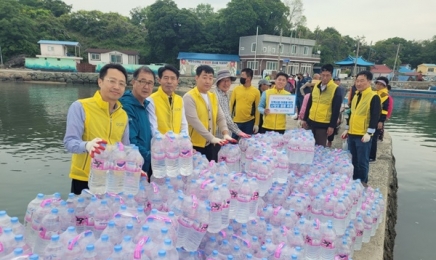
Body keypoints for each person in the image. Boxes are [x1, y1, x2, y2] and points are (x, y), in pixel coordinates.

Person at [64, 64, 130, 194]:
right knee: (84, 214)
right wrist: (87, 145)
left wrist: (133, 169)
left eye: (121, 84)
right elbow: (69, 142)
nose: (117, 87)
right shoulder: (80, 107)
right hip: (85, 179)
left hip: (112, 179)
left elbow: (125, 148)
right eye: (112, 81)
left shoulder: (123, 114)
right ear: (100, 81)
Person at [183, 65, 235, 162]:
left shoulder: (212, 96)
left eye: (210, 78)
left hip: (211, 144)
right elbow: (195, 122)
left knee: (210, 171)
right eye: (204, 77)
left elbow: (220, 116)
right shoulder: (189, 97)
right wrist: (212, 138)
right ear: (197, 78)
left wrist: (225, 133)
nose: (207, 81)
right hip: (195, 146)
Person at [341, 70, 381, 186]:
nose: (358, 83)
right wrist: (347, 129)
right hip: (353, 133)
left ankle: (363, 183)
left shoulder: (373, 96)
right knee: (353, 160)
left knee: (362, 161)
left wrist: (369, 133)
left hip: (363, 135)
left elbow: (375, 116)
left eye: (362, 81)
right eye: (357, 81)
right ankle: (354, 182)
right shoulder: (356, 95)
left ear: (369, 81)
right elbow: (351, 113)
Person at [119, 66, 154, 178]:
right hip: (133, 166)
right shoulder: (127, 106)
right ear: (133, 82)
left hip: (144, 163)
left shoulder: (145, 105)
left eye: (150, 83)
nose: (146, 86)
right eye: (142, 81)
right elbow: (130, 141)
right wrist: (152, 156)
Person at [302, 64, 342, 147]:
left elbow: (336, 110)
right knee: (308, 147)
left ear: (331, 75)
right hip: (311, 122)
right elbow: (309, 103)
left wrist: (332, 126)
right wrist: (305, 119)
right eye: (323, 75)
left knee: (320, 148)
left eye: (327, 75)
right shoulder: (316, 86)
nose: (325, 78)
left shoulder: (336, 89)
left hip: (323, 125)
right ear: (320, 74)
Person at [147, 64, 188, 135]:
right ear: (159, 80)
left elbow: (183, 124)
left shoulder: (180, 100)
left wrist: (185, 140)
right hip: (159, 143)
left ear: (177, 81)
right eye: (166, 78)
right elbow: (153, 127)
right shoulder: (150, 100)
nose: (169, 81)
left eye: (173, 78)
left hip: (178, 143)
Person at [212, 69, 250, 138]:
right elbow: (225, 116)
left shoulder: (225, 94)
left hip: (225, 133)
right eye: (223, 81)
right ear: (218, 82)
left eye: (228, 81)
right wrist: (238, 131)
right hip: (219, 134)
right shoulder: (217, 96)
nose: (226, 84)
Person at [230, 68, 260, 138]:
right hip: (236, 122)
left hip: (249, 122)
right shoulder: (236, 89)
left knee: (247, 143)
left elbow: (257, 109)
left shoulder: (256, 92)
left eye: (243, 75)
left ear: (249, 78)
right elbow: (231, 104)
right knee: (233, 142)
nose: (241, 77)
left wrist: (256, 124)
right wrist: (229, 119)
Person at [369, 76, 390, 162]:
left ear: (385, 86)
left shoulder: (385, 95)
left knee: (374, 138)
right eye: (378, 83)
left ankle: (372, 157)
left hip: (378, 119)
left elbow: (385, 110)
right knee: (369, 136)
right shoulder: (374, 92)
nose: (379, 86)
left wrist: (381, 121)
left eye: (381, 84)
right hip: (371, 117)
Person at [326, 77, 347, 147]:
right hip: (328, 108)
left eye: (337, 81)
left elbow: (341, 99)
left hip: (337, 107)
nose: (336, 82)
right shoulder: (330, 87)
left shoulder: (341, 89)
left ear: (339, 81)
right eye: (334, 81)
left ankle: (330, 141)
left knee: (333, 124)